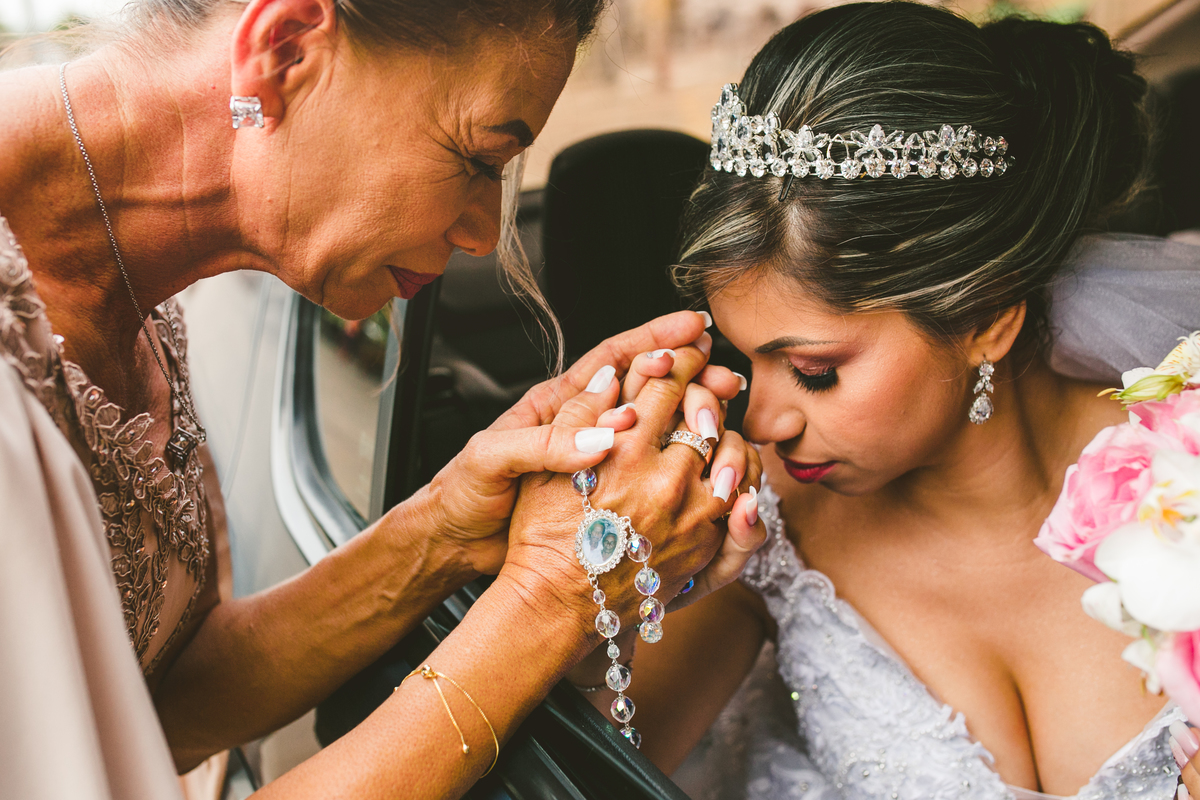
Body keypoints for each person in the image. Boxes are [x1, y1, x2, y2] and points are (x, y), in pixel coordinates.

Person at [0, 0, 766, 798]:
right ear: (287, 48)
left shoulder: (126, 275)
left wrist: (447, 527)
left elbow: (151, 713)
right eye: (480, 159)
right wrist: (552, 596)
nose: (479, 232)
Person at [562, 3, 1200, 798]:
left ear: (986, 319)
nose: (762, 421)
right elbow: (586, 774)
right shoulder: (758, 520)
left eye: (816, 370)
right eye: (745, 360)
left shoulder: (1187, 473)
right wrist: (595, 592)